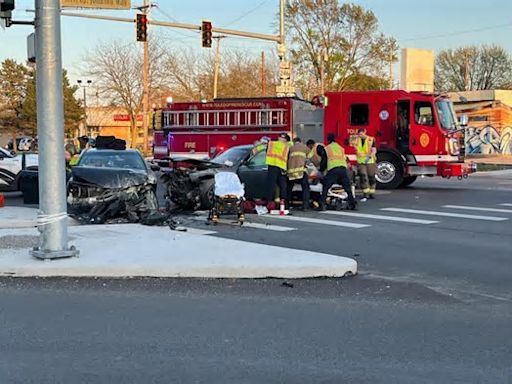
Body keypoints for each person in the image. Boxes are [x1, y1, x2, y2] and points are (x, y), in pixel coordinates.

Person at [320, 133, 357, 210]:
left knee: (326, 186)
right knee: (347, 188)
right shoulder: (341, 148)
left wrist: (321, 171)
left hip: (333, 169)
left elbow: (324, 162)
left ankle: (322, 204)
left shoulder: (327, 148)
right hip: (343, 169)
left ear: (328, 140)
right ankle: (352, 204)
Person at [265, 133, 290, 209]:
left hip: (272, 166)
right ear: (285, 140)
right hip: (281, 167)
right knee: (283, 186)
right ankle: (283, 204)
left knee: (271, 186)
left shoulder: (271, 144)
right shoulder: (286, 147)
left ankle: (269, 203)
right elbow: (288, 157)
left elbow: (266, 151)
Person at [353, 128, 377, 200]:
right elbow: (352, 144)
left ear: (364, 132)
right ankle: (365, 193)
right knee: (363, 177)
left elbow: (374, 150)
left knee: (371, 177)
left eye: (361, 134)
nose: (360, 135)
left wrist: (370, 156)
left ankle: (372, 192)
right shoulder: (356, 140)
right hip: (361, 162)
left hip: (370, 161)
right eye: (359, 134)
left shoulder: (371, 139)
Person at [287, 137, 310, 210]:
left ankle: (286, 205)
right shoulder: (305, 147)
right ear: (300, 141)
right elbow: (312, 158)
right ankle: (305, 206)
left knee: (289, 189)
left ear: (294, 142)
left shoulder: (290, 148)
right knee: (305, 188)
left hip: (291, 172)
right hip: (301, 171)